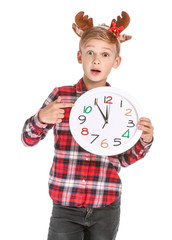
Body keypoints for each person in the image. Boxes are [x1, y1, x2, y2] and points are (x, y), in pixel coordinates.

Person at [21, 11, 154, 240]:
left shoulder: (124, 106)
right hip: (66, 203)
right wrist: (41, 118)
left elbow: (123, 159)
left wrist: (145, 140)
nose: (96, 60)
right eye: (90, 52)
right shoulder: (61, 96)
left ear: (116, 61)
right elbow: (27, 139)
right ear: (79, 56)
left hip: (106, 203)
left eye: (105, 54)